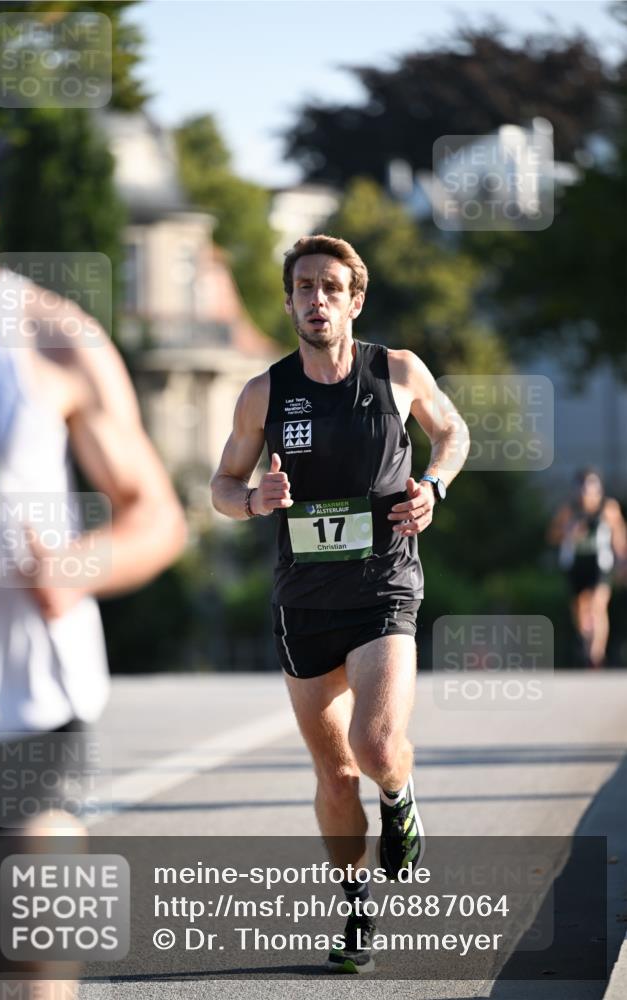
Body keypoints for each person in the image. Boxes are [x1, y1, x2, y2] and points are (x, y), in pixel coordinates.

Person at [0, 93, 187, 999]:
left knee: (31, 978)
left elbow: (155, 515)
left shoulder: (50, 338)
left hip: (30, 713)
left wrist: (75, 565)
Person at [211, 234, 469, 973]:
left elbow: (451, 431)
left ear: (354, 300)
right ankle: (355, 907)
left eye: (330, 287)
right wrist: (252, 499)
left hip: (384, 584)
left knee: (376, 746)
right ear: (289, 300)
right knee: (332, 776)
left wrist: (435, 485)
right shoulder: (264, 391)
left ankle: (401, 790)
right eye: (302, 288)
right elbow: (220, 487)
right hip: (303, 602)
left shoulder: (396, 371)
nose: (315, 300)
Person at [549, 467, 627, 668]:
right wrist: (568, 532)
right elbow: (552, 536)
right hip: (575, 563)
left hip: (600, 562)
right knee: (580, 607)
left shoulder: (608, 508)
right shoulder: (569, 510)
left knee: (598, 605)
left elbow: (619, 536)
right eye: (583, 489)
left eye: (591, 488)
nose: (587, 494)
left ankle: (595, 654)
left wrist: (622, 561)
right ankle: (585, 639)